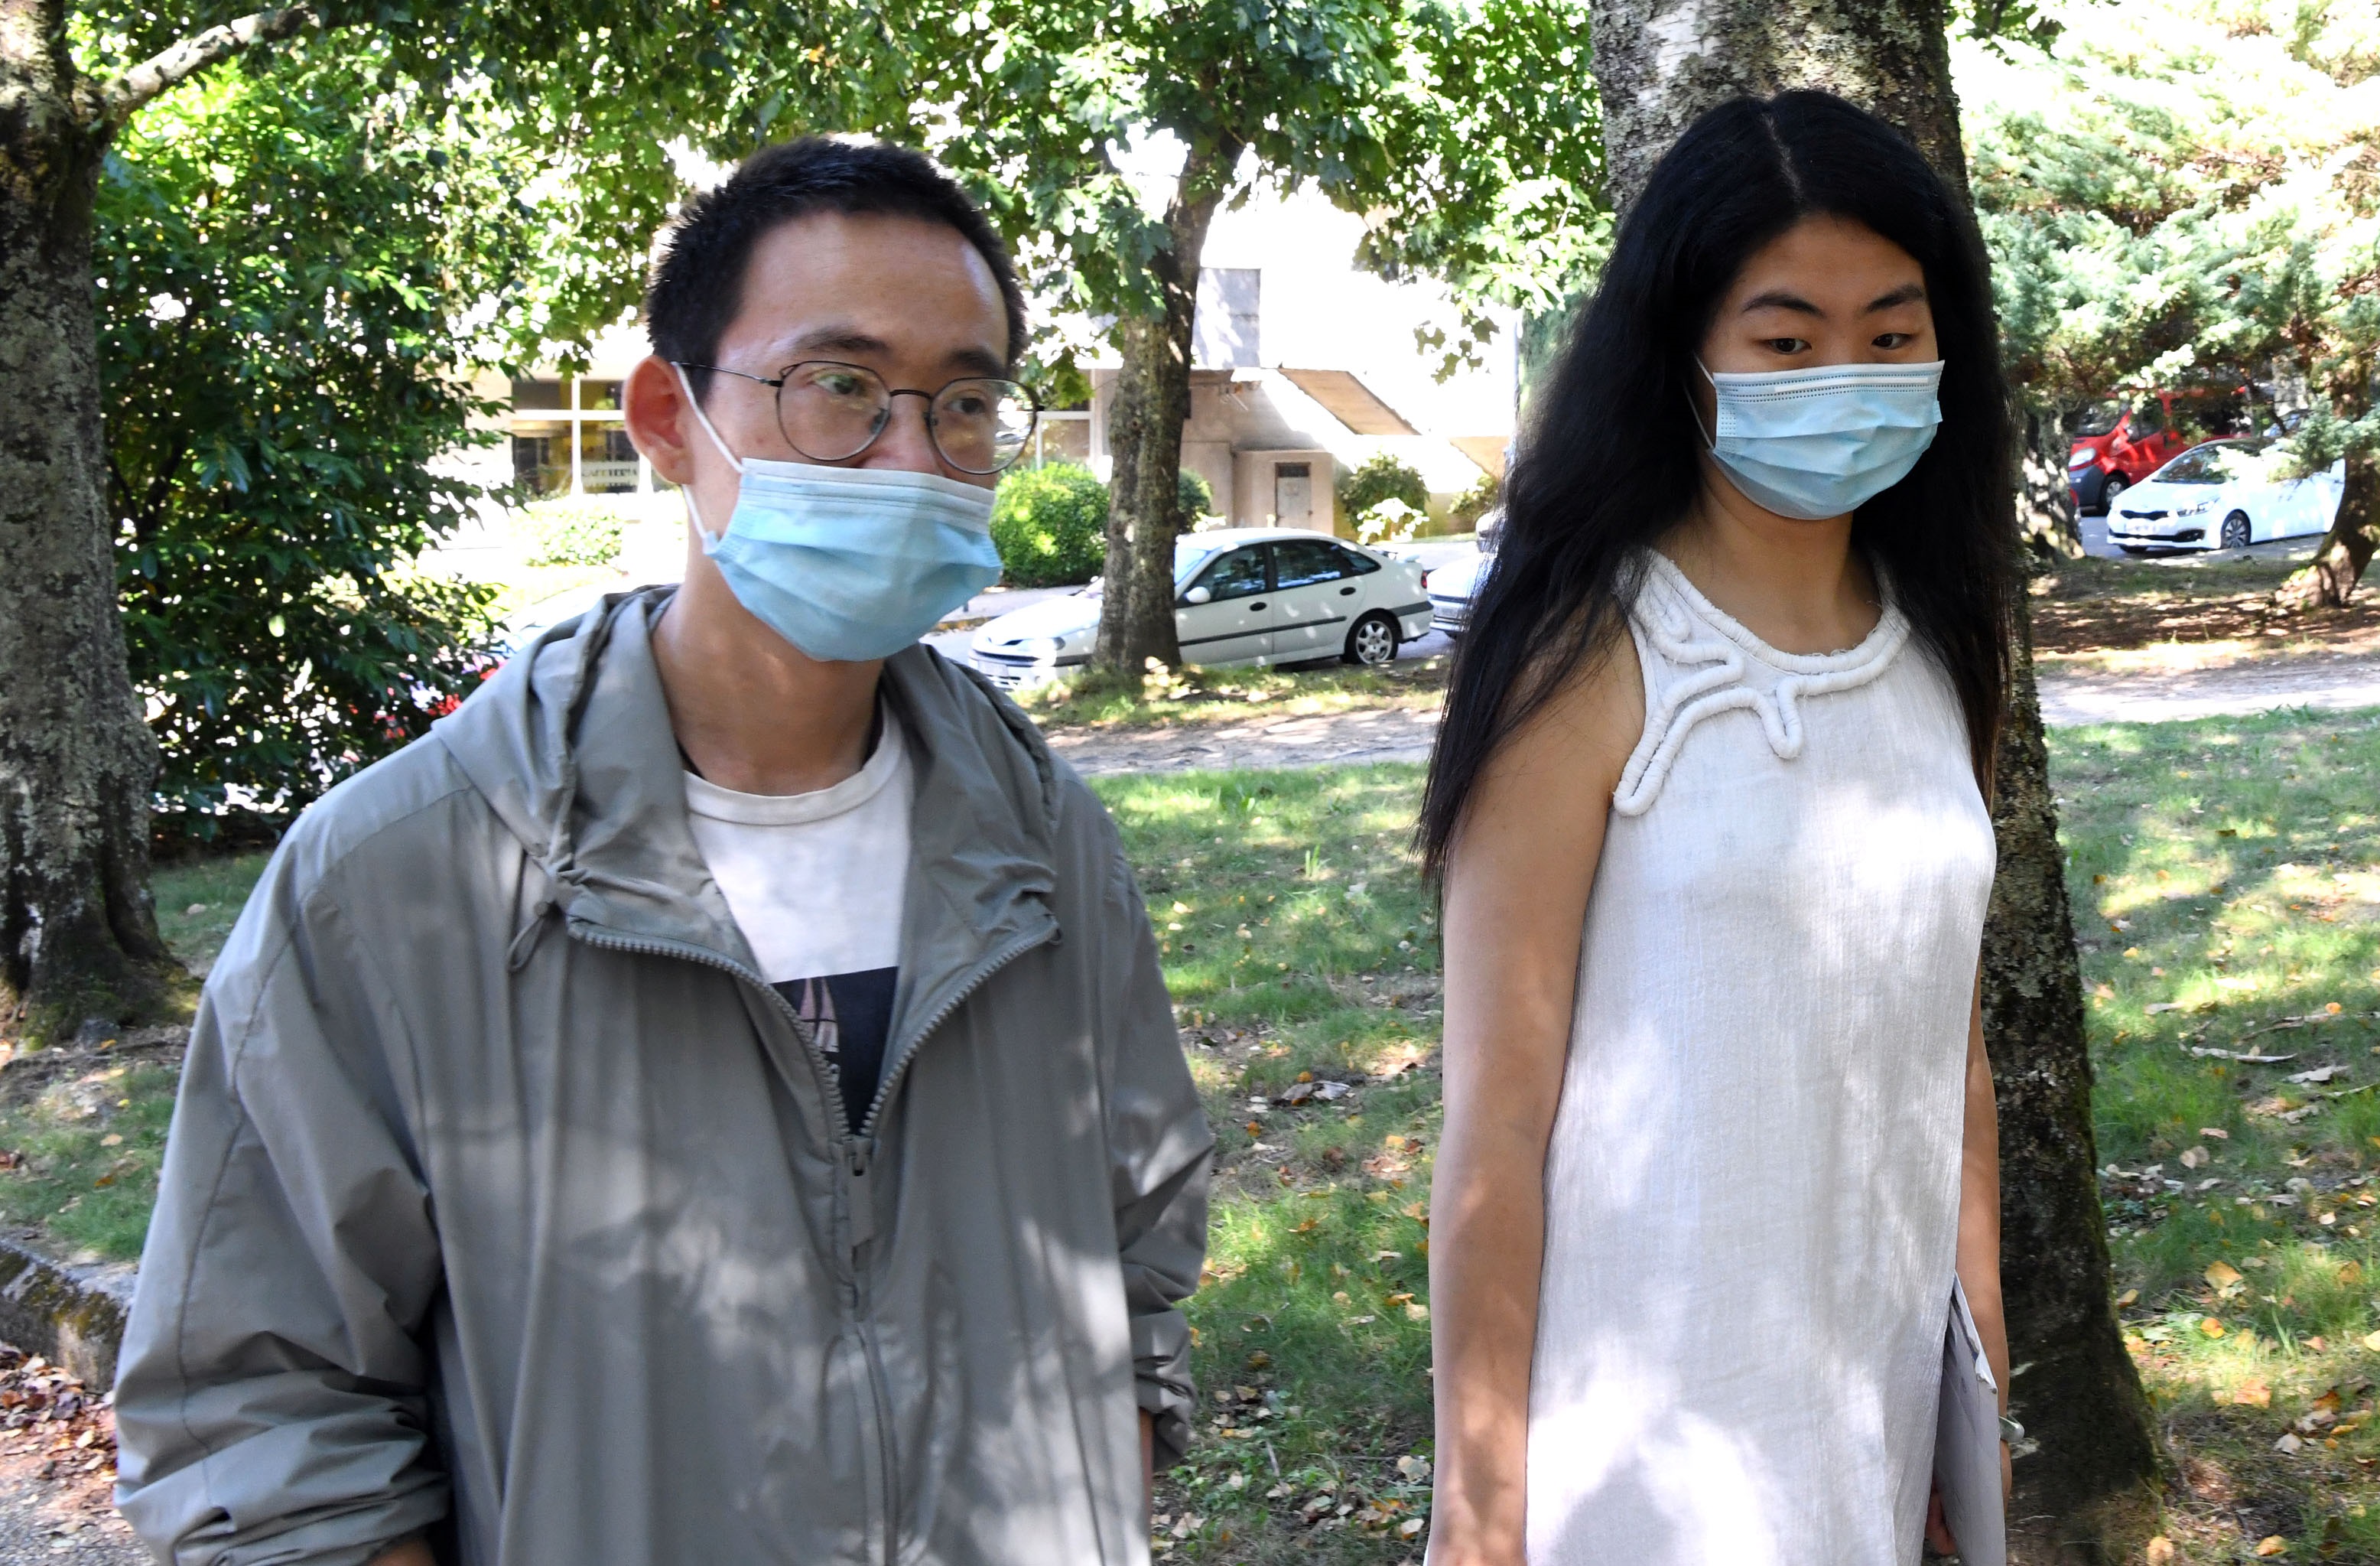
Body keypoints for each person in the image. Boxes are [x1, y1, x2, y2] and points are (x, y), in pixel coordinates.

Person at [112, 136, 1211, 1566]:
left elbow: (1133, 1263)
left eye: (964, 403)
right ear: (666, 418)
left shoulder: (1045, 844)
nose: (910, 455)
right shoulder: (399, 880)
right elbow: (262, 1414)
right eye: (838, 385)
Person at [1418, 92, 2020, 1566]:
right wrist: (1476, 1515)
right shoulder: (1590, 655)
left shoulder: (1940, 646)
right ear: (1682, 356)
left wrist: (1974, 1390)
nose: (1846, 376)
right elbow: (1495, 1118)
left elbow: (1951, 1060)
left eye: (1891, 333)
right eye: (1786, 340)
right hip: (1645, 1454)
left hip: (1869, 1408)